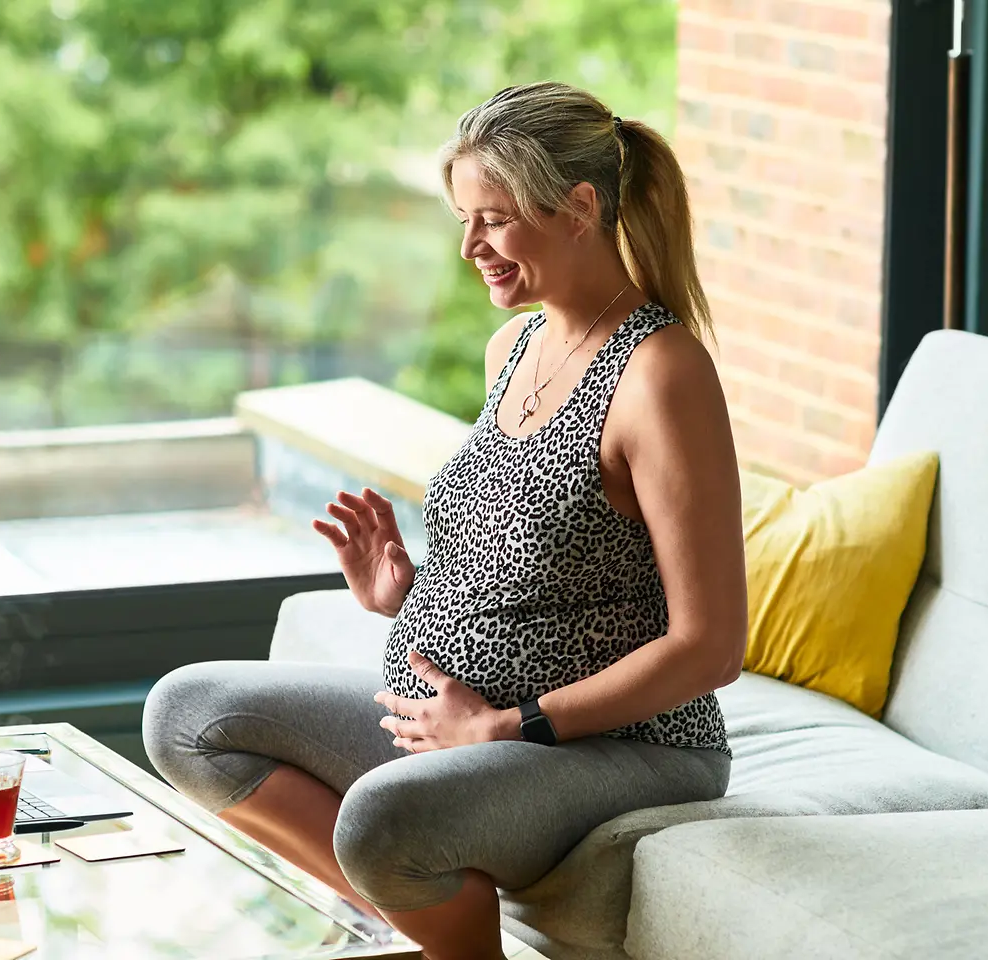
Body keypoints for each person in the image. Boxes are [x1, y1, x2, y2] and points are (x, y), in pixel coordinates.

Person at [143, 80, 747, 960]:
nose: (471, 247)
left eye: (493, 220)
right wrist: (412, 597)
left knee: (382, 819)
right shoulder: (514, 347)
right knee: (186, 716)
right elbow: (538, 560)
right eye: (463, 219)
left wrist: (513, 726)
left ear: (579, 207)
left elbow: (711, 646)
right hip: (459, 717)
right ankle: (429, 930)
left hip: (627, 746)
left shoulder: (661, 374)